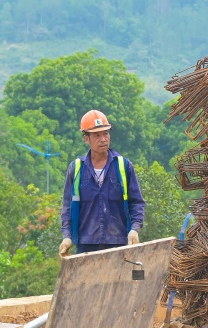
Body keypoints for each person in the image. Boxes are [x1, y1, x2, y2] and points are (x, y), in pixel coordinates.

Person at [59, 109, 146, 256]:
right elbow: (67, 207)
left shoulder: (123, 166)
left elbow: (137, 202)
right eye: (97, 135)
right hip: (86, 245)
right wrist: (67, 237)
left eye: (106, 133)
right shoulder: (76, 169)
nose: (103, 139)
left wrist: (134, 229)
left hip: (118, 244)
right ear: (86, 138)